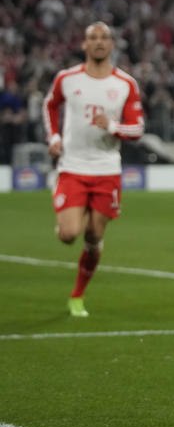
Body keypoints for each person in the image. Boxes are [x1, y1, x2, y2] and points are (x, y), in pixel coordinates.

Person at [42, 22, 145, 317]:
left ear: (112, 45)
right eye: (92, 38)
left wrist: (112, 126)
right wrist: (54, 137)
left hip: (106, 170)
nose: (99, 42)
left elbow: (137, 128)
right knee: (68, 234)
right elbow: (49, 105)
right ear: (84, 45)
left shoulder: (125, 84)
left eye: (104, 38)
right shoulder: (67, 78)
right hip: (73, 166)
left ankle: (77, 295)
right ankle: (67, 212)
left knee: (92, 238)